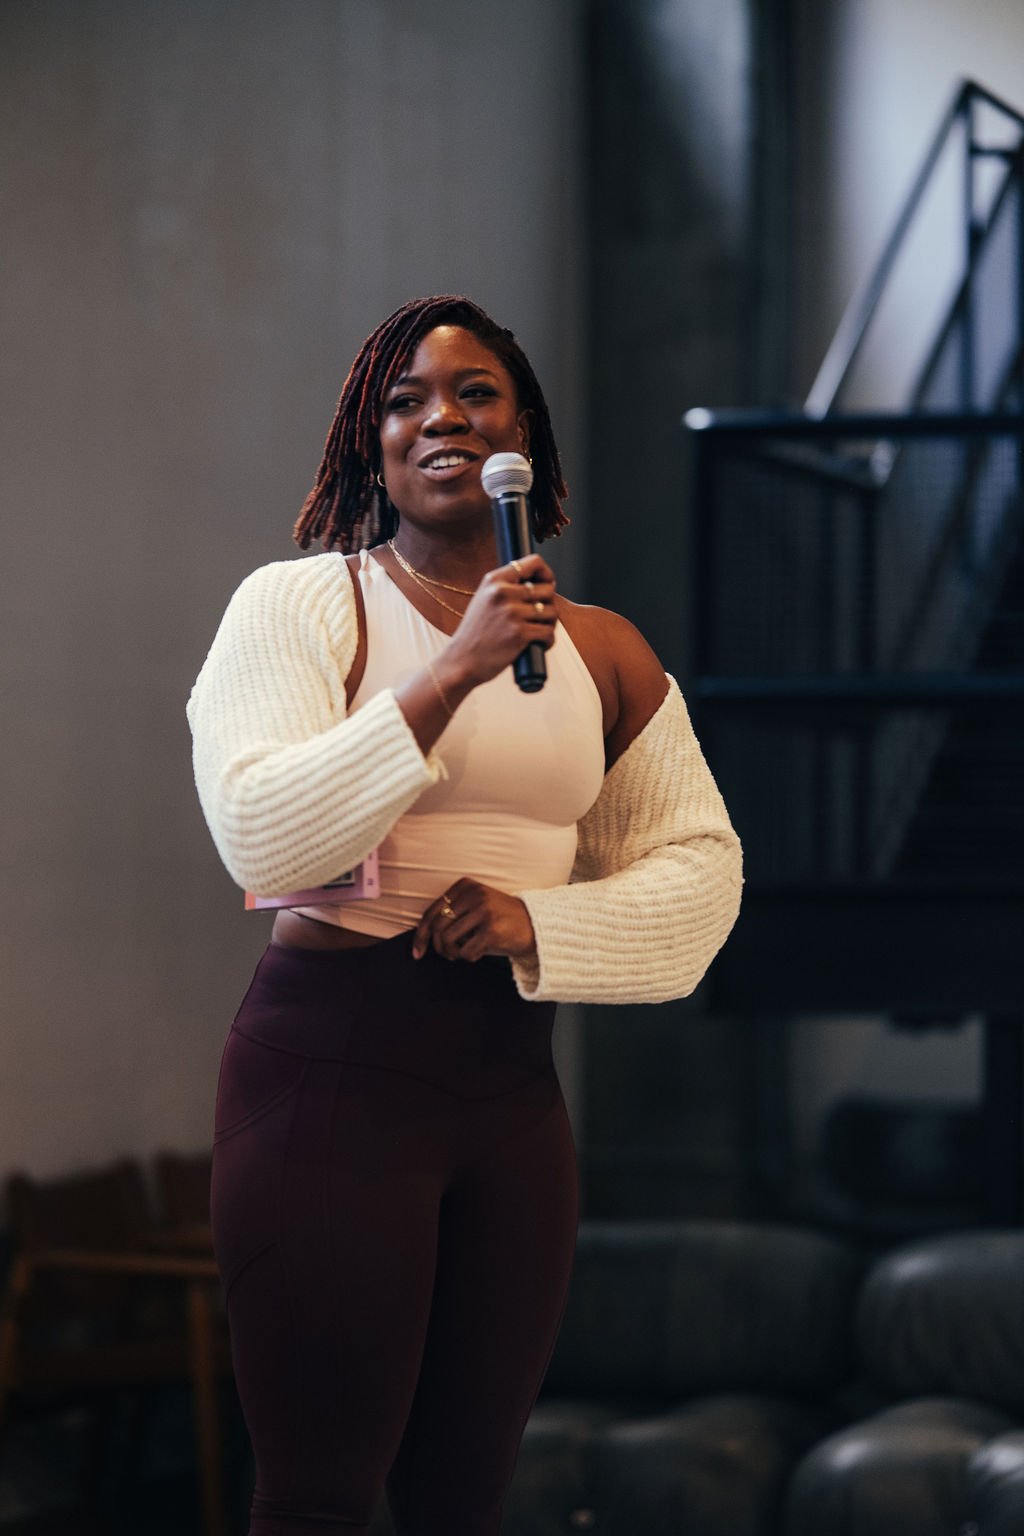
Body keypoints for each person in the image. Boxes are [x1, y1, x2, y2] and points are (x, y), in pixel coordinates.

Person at [187, 294, 742, 1536]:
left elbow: (700, 876)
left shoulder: (603, 654)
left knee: (463, 1500)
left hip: (506, 1092)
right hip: (328, 1076)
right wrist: (449, 674)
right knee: (320, 1496)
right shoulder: (297, 606)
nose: (439, 417)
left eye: (475, 393)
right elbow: (262, 829)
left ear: (522, 438)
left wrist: (537, 920)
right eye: (403, 400)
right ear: (368, 444)